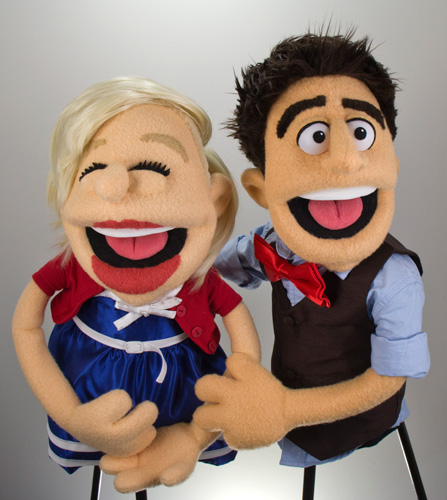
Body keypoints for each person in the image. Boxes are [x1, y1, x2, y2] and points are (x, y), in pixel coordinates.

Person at [12, 77, 261, 492]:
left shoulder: (200, 278)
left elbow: (246, 363)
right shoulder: (72, 265)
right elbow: (25, 327)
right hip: (89, 389)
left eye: (156, 168)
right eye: (93, 170)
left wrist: (195, 436)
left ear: (214, 198)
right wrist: (72, 417)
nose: (116, 187)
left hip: (181, 396)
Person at [195, 31, 430, 468]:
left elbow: (390, 378)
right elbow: (213, 269)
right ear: (260, 189)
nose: (344, 158)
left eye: (360, 132)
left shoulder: (394, 278)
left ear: (392, 166)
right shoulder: (273, 243)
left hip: (361, 421)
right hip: (291, 414)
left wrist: (287, 410)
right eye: (314, 135)